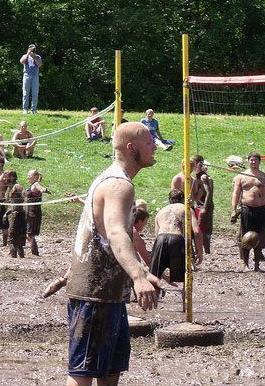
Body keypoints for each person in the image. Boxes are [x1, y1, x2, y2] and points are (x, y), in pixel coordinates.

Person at [64, 122, 165, 386]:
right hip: (95, 293)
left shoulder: (112, 180)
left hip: (107, 292)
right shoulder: (119, 185)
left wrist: (142, 272)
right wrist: (138, 277)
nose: (154, 146)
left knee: (110, 370)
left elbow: (95, 234)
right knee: (83, 372)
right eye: (148, 142)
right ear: (131, 148)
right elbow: (117, 233)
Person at [150, 189, 204, 284]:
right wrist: (200, 252)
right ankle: (185, 293)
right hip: (177, 239)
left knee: (154, 277)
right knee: (185, 275)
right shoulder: (187, 209)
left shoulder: (161, 211)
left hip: (160, 239)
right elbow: (197, 231)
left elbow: (156, 234)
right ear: (182, 200)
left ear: (169, 199)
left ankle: (151, 295)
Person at [231, 151, 265, 272]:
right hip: (247, 209)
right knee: (246, 236)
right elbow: (236, 193)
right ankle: (245, 264)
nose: (253, 162)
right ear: (248, 161)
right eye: (251, 160)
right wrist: (233, 210)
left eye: (255, 160)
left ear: (259, 161)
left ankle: (256, 265)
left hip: (261, 209)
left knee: (260, 237)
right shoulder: (241, 176)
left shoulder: (263, 175)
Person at [25, 169, 50, 256]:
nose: (28, 176)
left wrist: (44, 189)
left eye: (29, 175)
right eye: (28, 175)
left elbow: (40, 188)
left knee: (30, 234)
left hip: (33, 213)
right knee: (29, 234)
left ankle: (34, 253)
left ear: (35, 177)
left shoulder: (35, 184)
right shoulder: (32, 185)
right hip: (29, 212)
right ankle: (33, 251)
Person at [196, 159, 214, 254]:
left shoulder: (204, 177)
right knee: (198, 227)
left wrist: (205, 207)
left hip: (205, 205)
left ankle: (207, 250)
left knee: (205, 228)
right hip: (198, 204)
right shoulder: (195, 176)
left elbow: (209, 193)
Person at [5, 183, 27, 258]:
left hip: (16, 216)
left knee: (11, 240)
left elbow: (15, 207)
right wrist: (7, 213)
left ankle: (13, 258)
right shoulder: (18, 193)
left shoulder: (16, 187)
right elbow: (15, 206)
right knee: (19, 241)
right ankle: (21, 257)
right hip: (22, 215)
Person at [19, 44, 42, 114]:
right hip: (26, 75)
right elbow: (22, 61)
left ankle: (34, 109)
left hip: (35, 76)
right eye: (31, 49)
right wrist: (27, 54)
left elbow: (39, 64)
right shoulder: (25, 56)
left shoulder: (38, 56)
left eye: (34, 49)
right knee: (26, 93)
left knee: (35, 93)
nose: (32, 51)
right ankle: (25, 109)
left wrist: (34, 57)